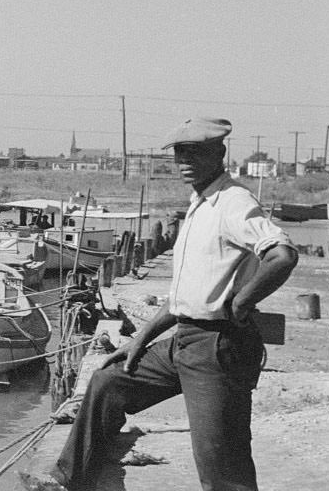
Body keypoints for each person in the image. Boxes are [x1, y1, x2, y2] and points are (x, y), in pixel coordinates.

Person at [27, 117, 298, 491]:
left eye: (196, 152)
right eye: (180, 152)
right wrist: (138, 341)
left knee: (220, 463)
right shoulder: (199, 203)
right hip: (184, 341)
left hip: (217, 347)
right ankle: (65, 480)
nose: (185, 160)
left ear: (219, 153)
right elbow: (183, 296)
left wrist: (243, 301)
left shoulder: (233, 202)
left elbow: (281, 256)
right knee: (108, 381)